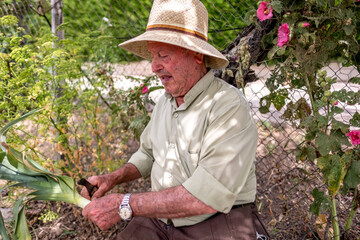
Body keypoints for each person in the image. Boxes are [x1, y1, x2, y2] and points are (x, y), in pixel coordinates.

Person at [81, 0, 269, 239]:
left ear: (197, 55)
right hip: (163, 222)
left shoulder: (227, 107)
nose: (153, 67)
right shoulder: (166, 102)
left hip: (218, 223)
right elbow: (148, 153)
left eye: (164, 55)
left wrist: (124, 204)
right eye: (152, 56)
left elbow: (206, 198)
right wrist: (112, 178)